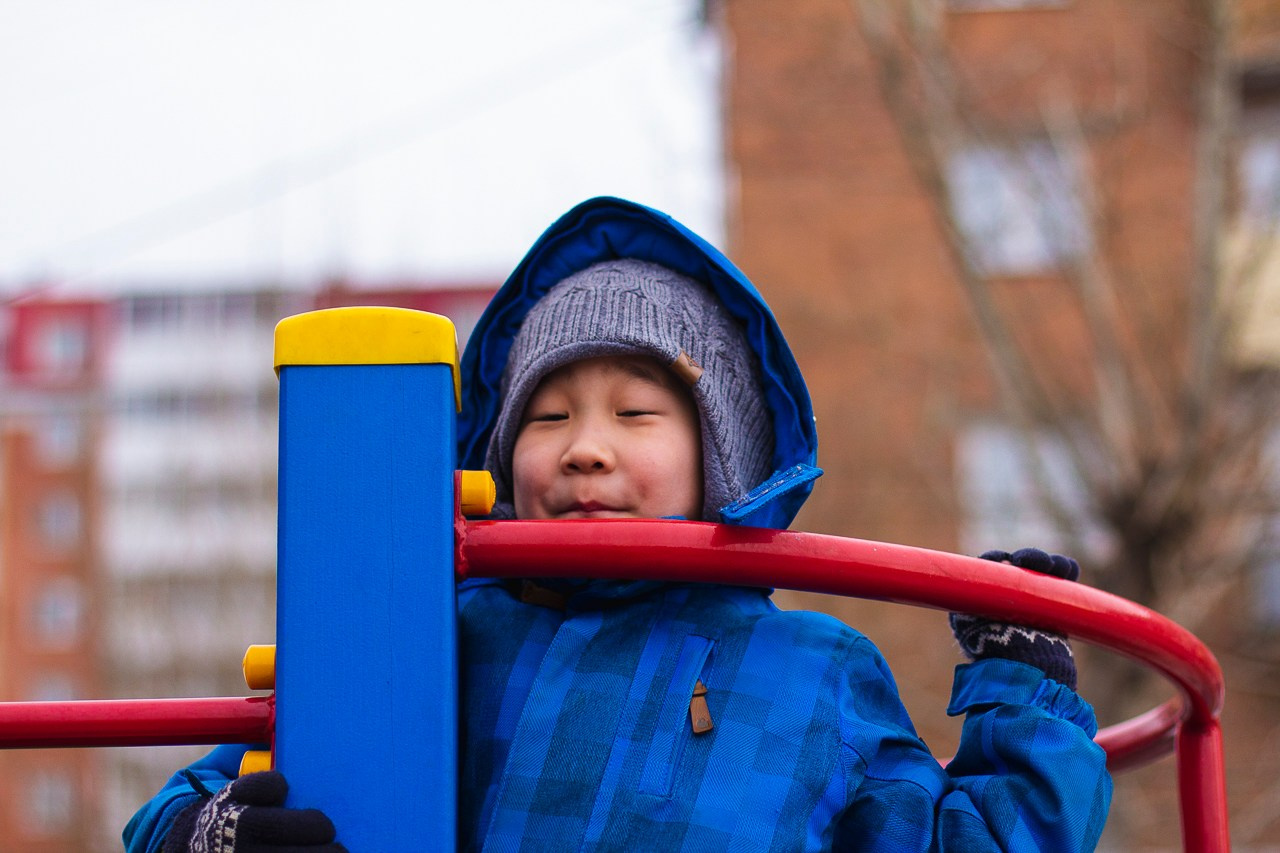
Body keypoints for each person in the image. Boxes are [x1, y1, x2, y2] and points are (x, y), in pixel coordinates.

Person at [125, 197, 1112, 852]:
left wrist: (1020, 695)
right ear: (496, 459)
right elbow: (207, 795)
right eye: (546, 417)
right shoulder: (425, 636)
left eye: (633, 414)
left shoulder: (812, 674)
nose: (583, 448)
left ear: (718, 461)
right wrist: (198, 834)